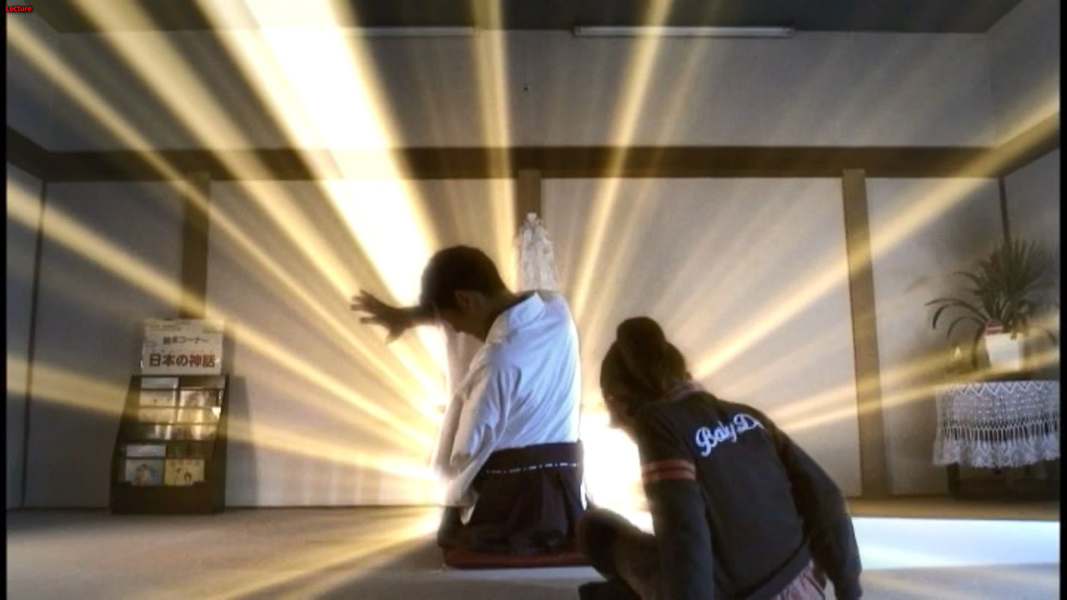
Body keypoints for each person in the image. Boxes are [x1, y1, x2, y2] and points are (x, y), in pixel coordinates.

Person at [578, 317, 862, 600]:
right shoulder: (748, 416)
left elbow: (686, 535)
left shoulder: (658, 423)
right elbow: (825, 497)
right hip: (805, 586)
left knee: (599, 529)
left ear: (618, 403)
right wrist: (848, 587)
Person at [352, 245, 585, 555]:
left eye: (452, 322)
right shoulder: (558, 311)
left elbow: (465, 452)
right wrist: (407, 317)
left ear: (465, 299)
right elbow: (512, 301)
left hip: (518, 507)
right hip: (567, 494)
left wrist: (450, 495)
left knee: (456, 490)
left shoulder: (498, 359)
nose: (458, 329)